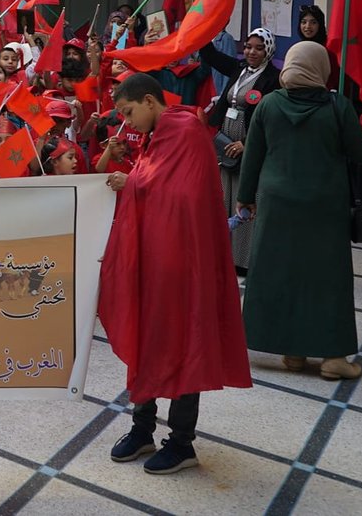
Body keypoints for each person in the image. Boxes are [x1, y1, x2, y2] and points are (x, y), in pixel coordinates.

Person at [99, 73, 251, 475]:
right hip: (156, 260)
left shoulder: (184, 130)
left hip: (185, 264)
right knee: (147, 339)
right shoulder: (158, 134)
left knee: (186, 343)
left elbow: (181, 194)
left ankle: (182, 442)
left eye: (129, 113)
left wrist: (130, 181)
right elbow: (157, 185)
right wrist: (134, 179)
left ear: (150, 101)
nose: (127, 123)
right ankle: (142, 428)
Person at [234, 42, 362, 379]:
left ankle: (292, 352)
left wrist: (245, 197)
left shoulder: (269, 104)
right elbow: (361, 153)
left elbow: (252, 154)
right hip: (325, 205)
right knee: (327, 278)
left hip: (277, 202)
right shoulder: (338, 106)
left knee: (280, 273)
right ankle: (333, 357)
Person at [200, 28, 282, 272]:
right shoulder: (239, 69)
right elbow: (211, 56)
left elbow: (271, 117)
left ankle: (244, 260)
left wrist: (247, 143)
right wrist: (202, 28)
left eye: (258, 48)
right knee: (225, 196)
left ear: (268, 50)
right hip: (226, 143)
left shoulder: (274, 78)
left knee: (245, 198)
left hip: (250, 144)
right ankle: (223, 255)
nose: (251, 52)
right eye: (247, 46)